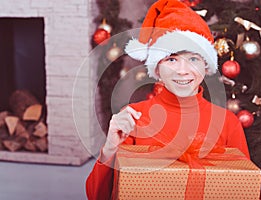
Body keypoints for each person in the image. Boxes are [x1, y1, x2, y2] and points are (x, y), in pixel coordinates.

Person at [86, 0, 250, 199]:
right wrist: (110, 147)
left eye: (193, 59)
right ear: (156, 68)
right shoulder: (133, 118)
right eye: (171, 59)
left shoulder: (228, 123)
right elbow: (97, 195)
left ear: (206, 66)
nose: (182, 71)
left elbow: (241, 188)